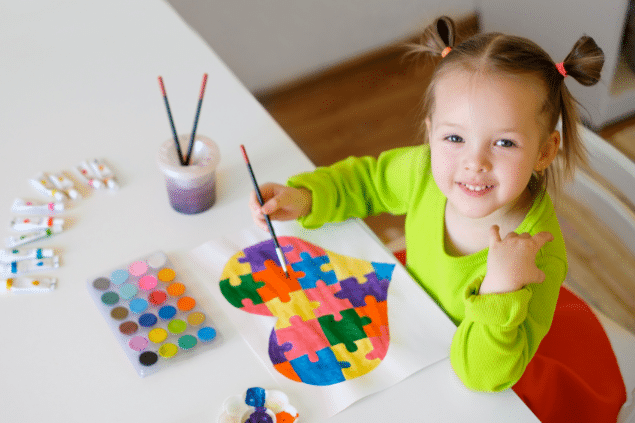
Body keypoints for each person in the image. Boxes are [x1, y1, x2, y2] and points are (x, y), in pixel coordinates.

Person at [249, 15, 621, 421]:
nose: (474, 162)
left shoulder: (537, 256)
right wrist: (306, 197)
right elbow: (367, 182)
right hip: (417, 316)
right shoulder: (424, 170)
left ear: (546, 152)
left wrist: (500, 290)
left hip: (497, 365)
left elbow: (481, 375)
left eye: (504, 142)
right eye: (455, 138)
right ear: (430, 134)